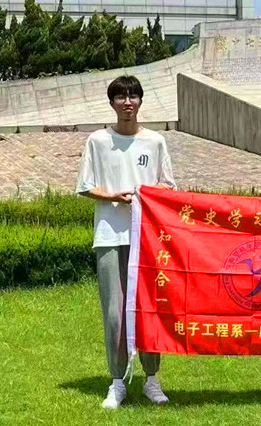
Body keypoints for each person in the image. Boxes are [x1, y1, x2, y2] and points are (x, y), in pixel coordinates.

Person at [76, 75, 176, 409]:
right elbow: (85, 186)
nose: (127, 102)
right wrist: (113, 197)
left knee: (149, 309)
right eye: (121, 97)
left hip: (147, 238)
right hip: (109, 235)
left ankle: (152, 379)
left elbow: (168, 185)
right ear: (112, 103)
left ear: (140, 101)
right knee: (115, 313)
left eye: (133, 96)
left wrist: (145, 195)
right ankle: (117, 381)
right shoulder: (98, 141)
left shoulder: (155, 141)